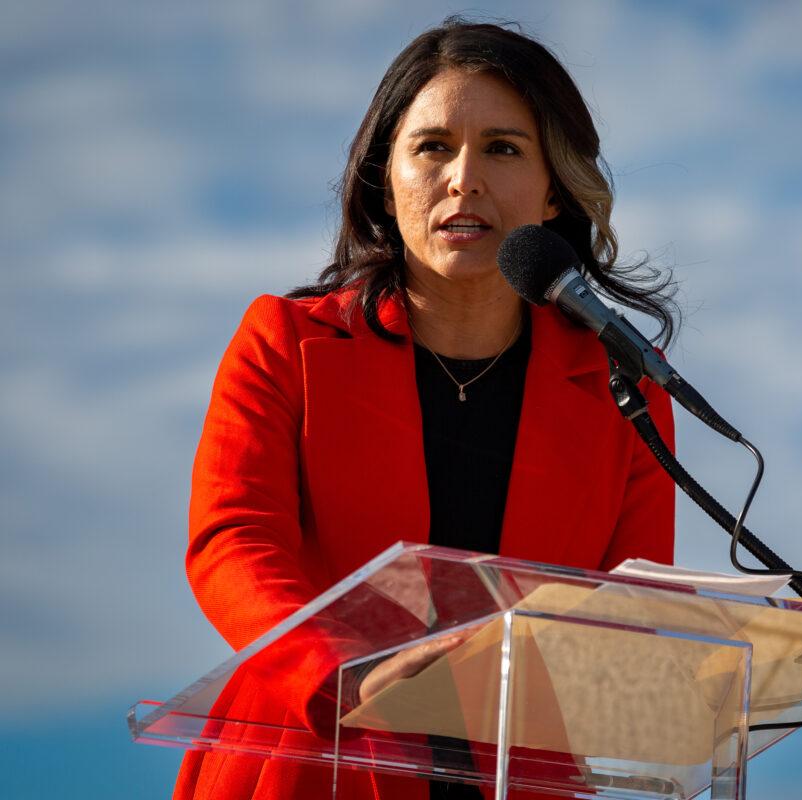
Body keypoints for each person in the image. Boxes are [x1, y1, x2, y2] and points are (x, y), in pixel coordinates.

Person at [173, 18, 678, 800]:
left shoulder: (624, 385)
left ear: (553, 191)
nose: (463, 178)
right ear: (387, 178)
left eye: (504, 149)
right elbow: (232, 543)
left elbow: (631, 604)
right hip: (313, 761)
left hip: (519, 772)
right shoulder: (287, 344)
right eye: (433, 146)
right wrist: (346, 666)